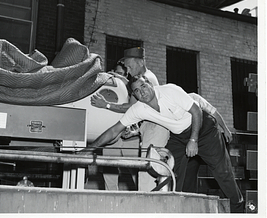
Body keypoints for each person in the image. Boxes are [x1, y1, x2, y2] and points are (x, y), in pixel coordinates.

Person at [82, 75, 244, 213]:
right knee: (168, 170)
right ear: (135, 96)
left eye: (143, 86)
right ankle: (174, 210)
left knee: (221, 171)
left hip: (204, 130)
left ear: (150, 84)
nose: (142, 92)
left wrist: (193, 140)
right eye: (137, 91)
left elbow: (196, 112)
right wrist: (89, 149)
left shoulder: (170, 91)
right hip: (179, 136)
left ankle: (238, 207)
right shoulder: (139, 108)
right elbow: (113, 131)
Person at [90, 47, 170, 191]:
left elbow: (132, 108)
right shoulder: (138, 79)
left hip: (148, 131)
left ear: (139, 62)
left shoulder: (148, 80)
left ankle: (147, 203)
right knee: (110, 163)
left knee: (142, 171)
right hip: (131, 130)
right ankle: (112, 200)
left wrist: (106, 105)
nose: (128, 70)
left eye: (129, 66)